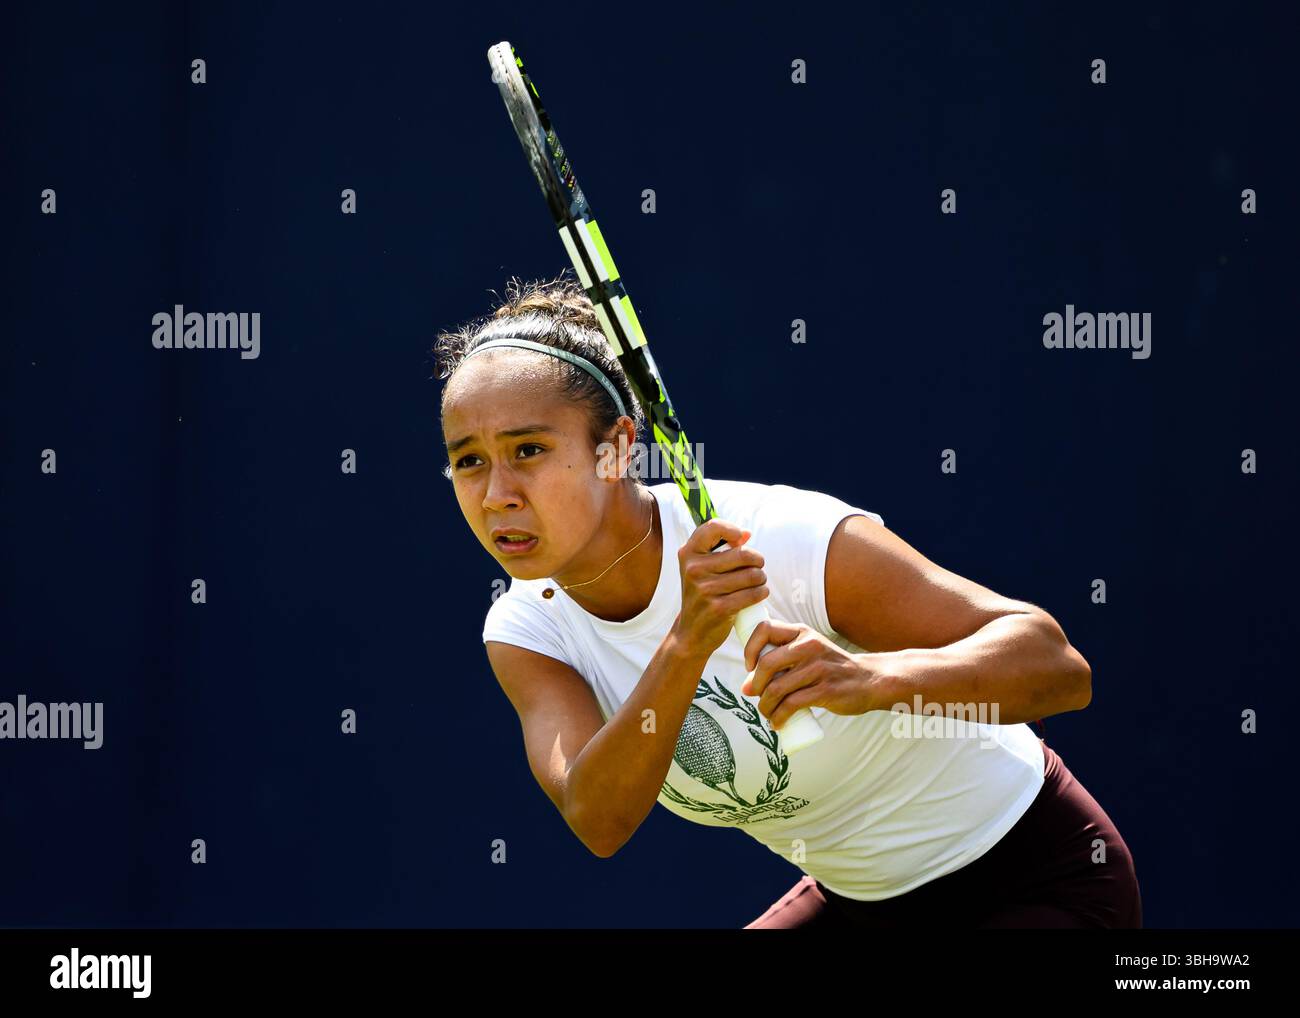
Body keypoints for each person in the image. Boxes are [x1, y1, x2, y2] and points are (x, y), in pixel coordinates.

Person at [434, 273, 1141, 929]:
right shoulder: (529, 628)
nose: (497, 494)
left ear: (617, 448)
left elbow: (1057, 668)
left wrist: (869, 681)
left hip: (1035, 877)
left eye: (527, 450)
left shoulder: (782, 539)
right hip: (859, 900)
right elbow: (599, 818)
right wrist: (688, 642)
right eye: (468, 460)